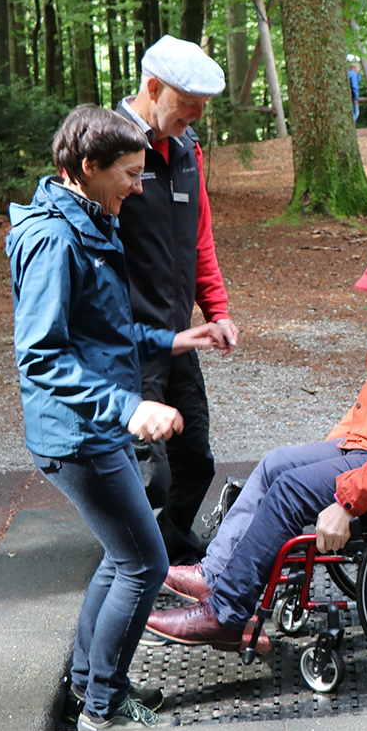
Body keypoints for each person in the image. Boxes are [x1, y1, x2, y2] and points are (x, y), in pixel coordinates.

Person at [144, 237, 367, 650]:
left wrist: (346, 502)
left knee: (291, 491)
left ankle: (224, 615)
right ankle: (214, 576)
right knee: (276, 464)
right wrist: (333, 451)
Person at [8, 106, 232, 730]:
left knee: (121, 554)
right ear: (88, 168)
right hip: (77, 434)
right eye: (130, 174)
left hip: (92, 426)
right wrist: (130, 407)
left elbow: (103, 328)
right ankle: (101, 710)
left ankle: (89, 685)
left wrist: (172, 340)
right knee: (145, 561)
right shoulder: (54, 239)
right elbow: (43, 355)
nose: (139, 187)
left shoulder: (90, 217)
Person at [116, 35, 239, 565]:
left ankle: (170, 547)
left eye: (199, 113)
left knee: (197, 459)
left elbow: (199, 240)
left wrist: (218, 311)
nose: (194, 121)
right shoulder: (109, 148)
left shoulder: (187, 151)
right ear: (151, 87)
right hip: (128, 340)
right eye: (186, 111)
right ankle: (131, 569)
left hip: (179, 335)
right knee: (149, 470)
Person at [348, 55, 362, 122]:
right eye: (358, 67)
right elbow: (355, 86)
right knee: (356, 113)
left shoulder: (347, 73)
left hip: (347, 95)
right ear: (353, 68)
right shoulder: (354, 74)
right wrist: (356, 97)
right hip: (353, 96)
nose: (359, 69)